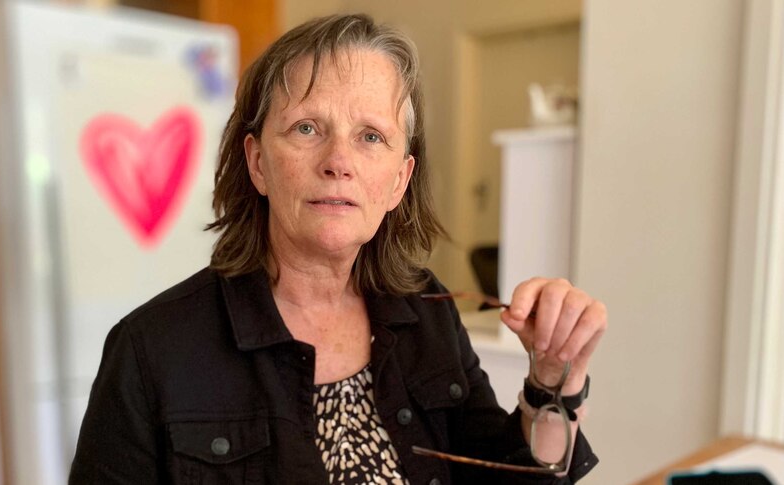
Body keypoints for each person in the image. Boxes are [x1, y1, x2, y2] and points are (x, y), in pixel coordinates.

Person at [69, 13, 607, 485]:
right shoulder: (149, 352)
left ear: (399, 180)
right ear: (258, 163)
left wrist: (554, 378)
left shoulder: (426, 309)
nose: (338, 161)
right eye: (307, 128)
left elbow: (513, 478)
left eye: (371, 136)